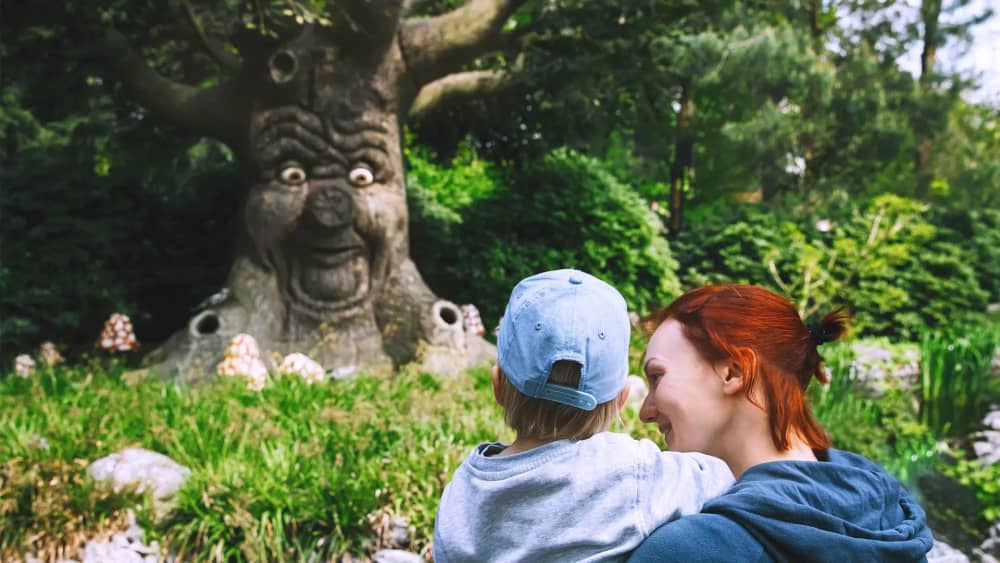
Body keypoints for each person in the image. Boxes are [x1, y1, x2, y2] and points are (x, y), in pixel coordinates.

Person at [433, 269, 735, 562]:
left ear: (497, 384)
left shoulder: (461, 493)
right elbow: (720, 477)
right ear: (621, 398)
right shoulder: (633, 472)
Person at [628, 284, 934, 563]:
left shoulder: (692, 550)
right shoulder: (889, 513)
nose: (646, 412)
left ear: (735, 372)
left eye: (657, 376)